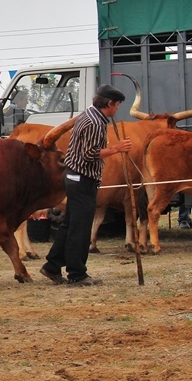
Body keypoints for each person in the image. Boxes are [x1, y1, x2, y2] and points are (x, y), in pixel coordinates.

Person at [40, 84, 132, 287]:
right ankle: (77, 273)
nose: (117, 109)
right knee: (80, 228)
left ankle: (52, 266)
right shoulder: (95, 122)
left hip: (74, 177)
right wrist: (117, 148)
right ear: (109, 103)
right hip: (82, 179)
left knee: (70, 224)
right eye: (117, 105)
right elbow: (89, 154)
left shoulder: (88, 115)